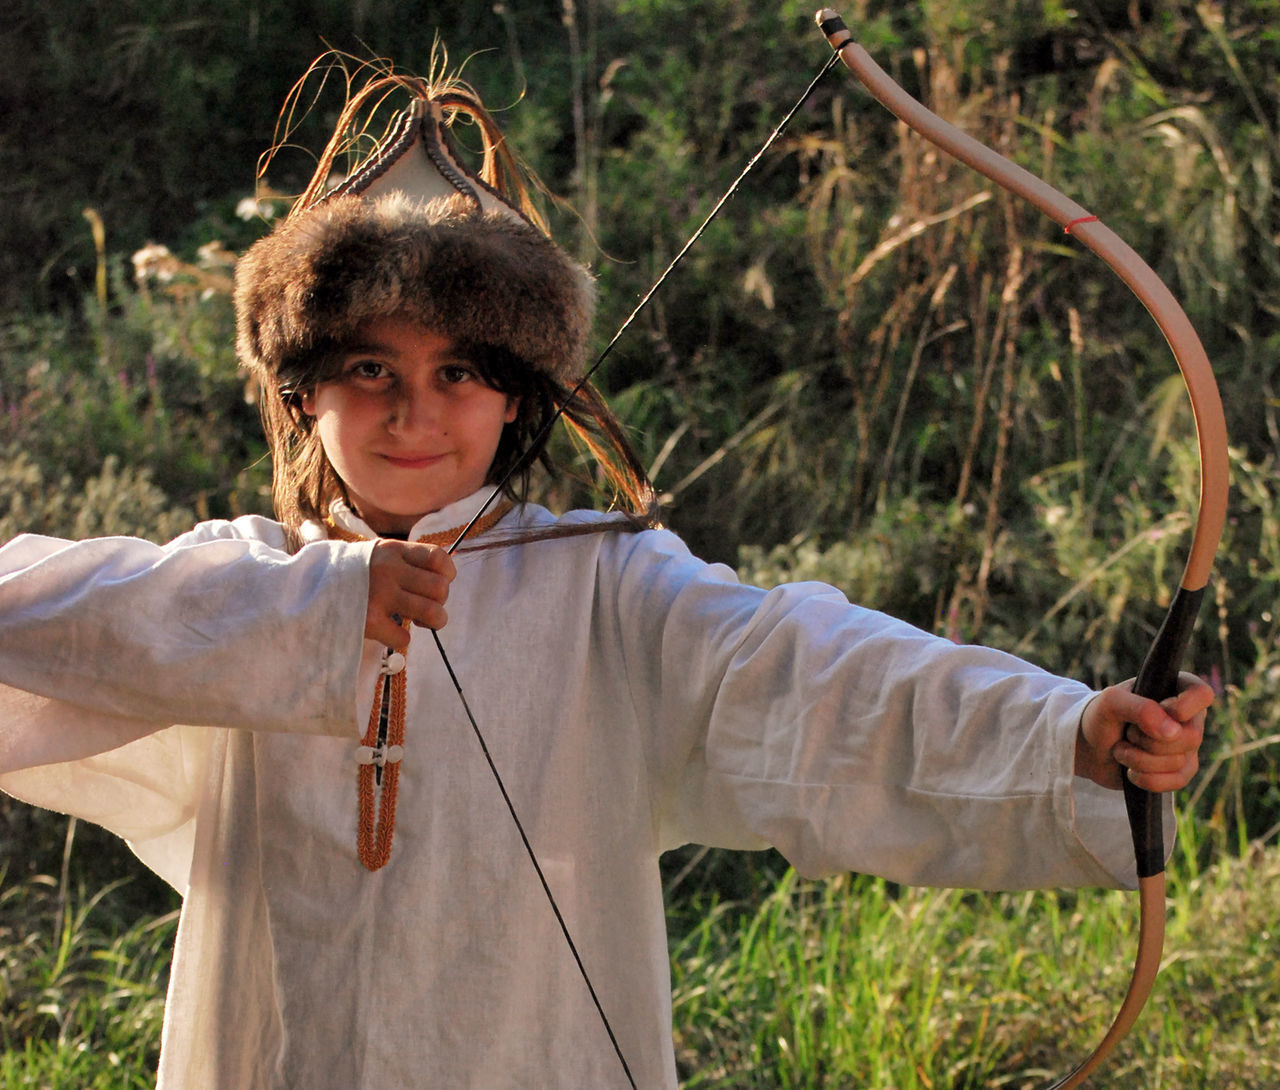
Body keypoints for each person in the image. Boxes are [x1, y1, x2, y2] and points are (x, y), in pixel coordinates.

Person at [0, 65, 1210, 1089]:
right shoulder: (237, 583)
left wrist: (1068, 734)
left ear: (517, 391)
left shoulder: (605, 591)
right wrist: (317, 607)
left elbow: (814, 671)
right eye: (367, 366)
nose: (413, 411)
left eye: (461, 369)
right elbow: (28, 614)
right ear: (301, 390)